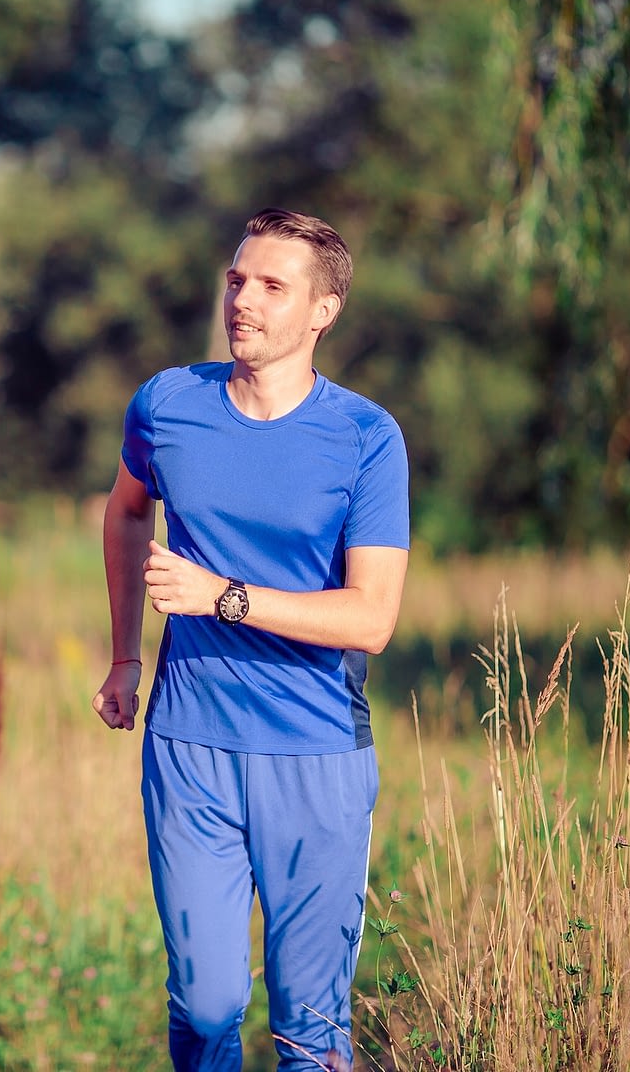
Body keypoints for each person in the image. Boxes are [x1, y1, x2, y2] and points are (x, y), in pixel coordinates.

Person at [91, 209, 410, 1072]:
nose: (244, 300)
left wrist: (222, 597)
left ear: (323, 310)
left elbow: (371, 619)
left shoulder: (367, 438)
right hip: (188, 746)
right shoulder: (167, 404)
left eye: (273, 285)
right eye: (237, 279)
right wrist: (126, 653)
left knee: (310, 1027)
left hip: (315, 755)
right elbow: (125, 509)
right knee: (205, 1006)